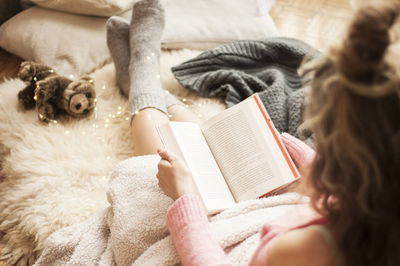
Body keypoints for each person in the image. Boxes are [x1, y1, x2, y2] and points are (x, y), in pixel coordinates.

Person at [107, 0, 400, 265]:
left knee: (157, 165)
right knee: (197, 135)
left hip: (218, 248)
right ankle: (144, 84)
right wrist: (290, 149)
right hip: (279, 220)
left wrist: (185, 198)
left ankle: (141, 73)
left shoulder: (310, 249)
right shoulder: (378, 203)